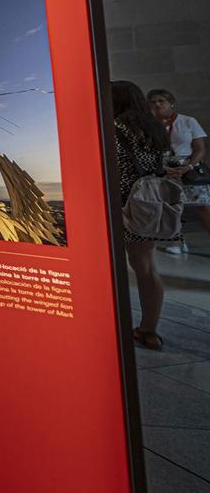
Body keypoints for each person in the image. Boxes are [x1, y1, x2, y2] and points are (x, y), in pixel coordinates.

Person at [113, 81, 173, 351]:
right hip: (149, 203)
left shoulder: (115, 128)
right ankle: (150, 329)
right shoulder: (155, 129)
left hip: (120, 204)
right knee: (146, 267)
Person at [147, 88, 210, 255]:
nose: (157, 104)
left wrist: (188, 166)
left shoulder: (188, 121)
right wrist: (161, 167)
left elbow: (200, 149)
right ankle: (176, 241)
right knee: (170, 207)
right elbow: (147, 150)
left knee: (203, 206)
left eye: (161, 100)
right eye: (153, 102)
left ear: (171, 102)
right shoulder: (150, 125)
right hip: (163, 167)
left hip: (188, 166)